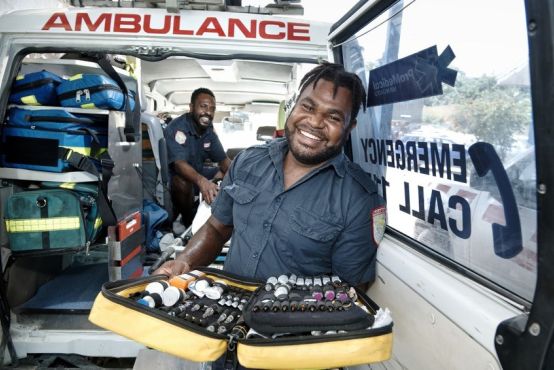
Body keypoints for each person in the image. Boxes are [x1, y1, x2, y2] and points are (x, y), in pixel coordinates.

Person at [157, 62, 386, 288]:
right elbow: (217, 229)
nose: (315, 122)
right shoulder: (247, 161)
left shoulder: (359, 198)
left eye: (334, 117)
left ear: (350, 127)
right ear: (293, 107)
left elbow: (349, 290)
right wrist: (183, 263)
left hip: (295, 322)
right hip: (225, 308)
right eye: (307, 107)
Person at [164, 88, 231, 228]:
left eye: (212, 109)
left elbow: (223, 161)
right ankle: (188, 221)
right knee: (182, 181)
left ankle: (221, 214)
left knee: (228, 171)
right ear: (191, 107)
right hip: (175, 184)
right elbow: (179, 164)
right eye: (203, 106)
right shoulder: (177, 128)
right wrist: (203, 182)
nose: (208, 112)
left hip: (197, 175)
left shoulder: (208, 130)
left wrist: (243, 176)